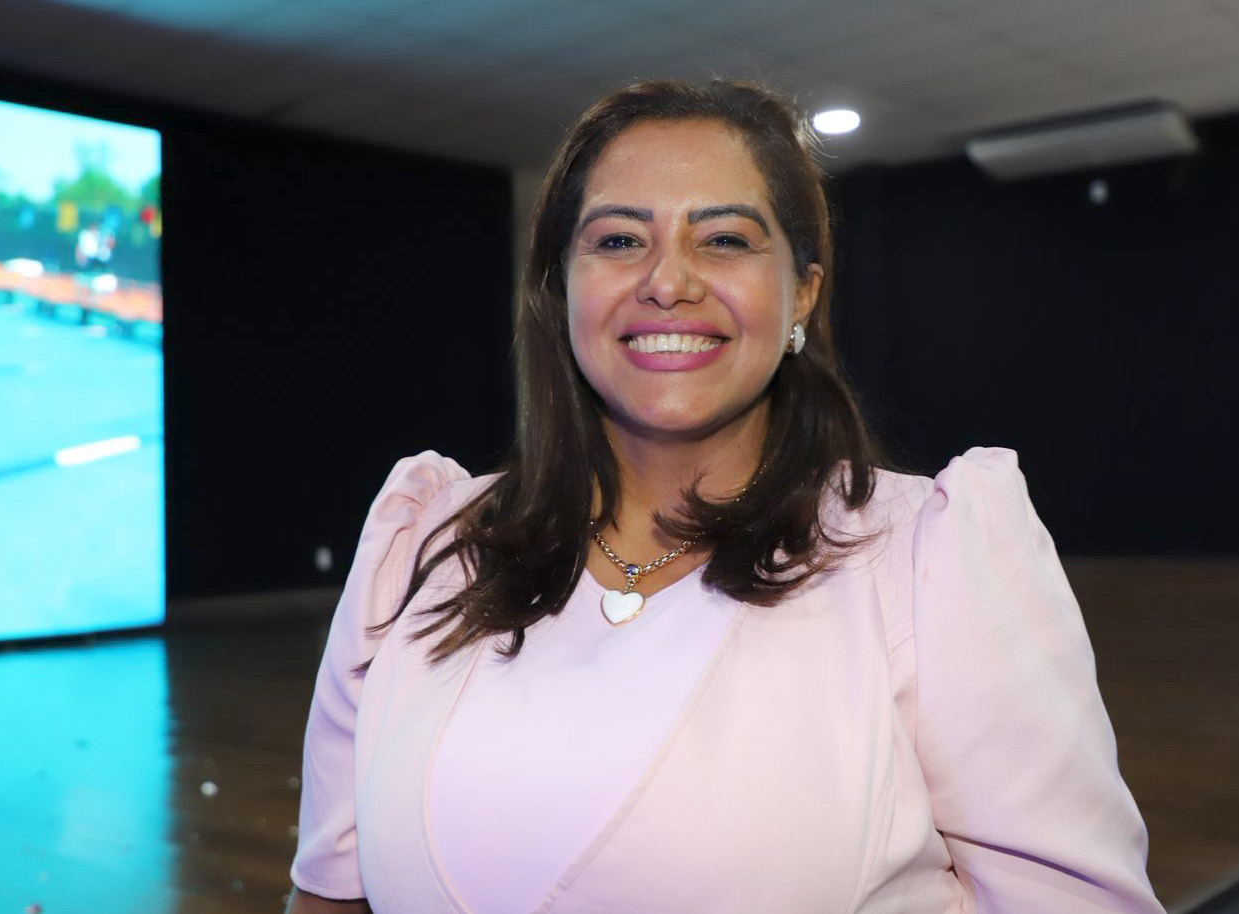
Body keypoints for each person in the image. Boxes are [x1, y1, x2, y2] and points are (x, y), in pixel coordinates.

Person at [287, 79, 1166, 914]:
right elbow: (328, 894)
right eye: (619, 240)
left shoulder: (928, 559)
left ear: (802, 293)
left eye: (725, 239)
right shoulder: (426, 543)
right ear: (560, 290)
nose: (668, 280)